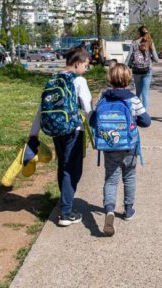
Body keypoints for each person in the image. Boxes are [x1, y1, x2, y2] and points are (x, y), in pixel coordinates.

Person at [28, 47, 92, 227]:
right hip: (73, 129)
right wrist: (96, 125)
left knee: (63, 164)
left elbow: (42, 109)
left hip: (56, 128)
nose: (86, 70)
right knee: (73, 169)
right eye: (86, 66)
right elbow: (87, 107)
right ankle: (66, 212)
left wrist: (33, 133)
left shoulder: (54, 79)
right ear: (78, 64)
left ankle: (65, 202)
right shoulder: (78, 80)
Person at [90, 63, 151, 237]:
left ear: (109, 79)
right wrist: (133, 121)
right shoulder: (132, 99)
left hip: (109, 147)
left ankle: (109, 211)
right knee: (129, 177)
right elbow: (146, 121)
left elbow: (93, 122)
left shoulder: (103, 99)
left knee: (111, 180)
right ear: (128, 79)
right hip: (129, 146)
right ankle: (128, 210)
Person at [126, 26, 159, 109]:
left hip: (136, 70)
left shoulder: (134, 43)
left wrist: (126, 66)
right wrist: (151, 57)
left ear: (139, 33)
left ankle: (137, 111)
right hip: (147, 70)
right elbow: (156, 58)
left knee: (138, 92)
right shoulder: (150, 42)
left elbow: (130, 56)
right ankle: (143, 114)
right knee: (145, 93)